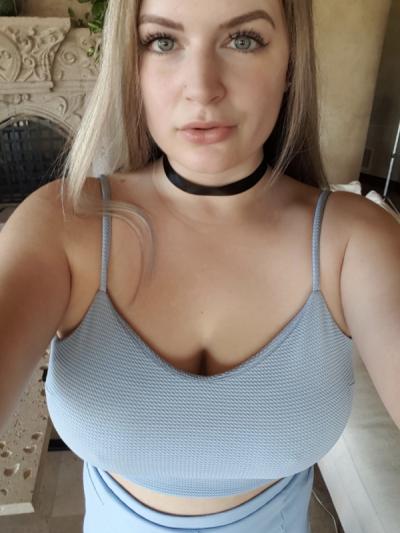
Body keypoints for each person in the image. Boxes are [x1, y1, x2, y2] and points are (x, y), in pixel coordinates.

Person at [1, 0, 400, 532]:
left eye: (243, 40)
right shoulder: (61, 224)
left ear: (290, 63)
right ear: (131, 65)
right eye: (163, 41)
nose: (202, 89)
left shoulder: (354, 242)